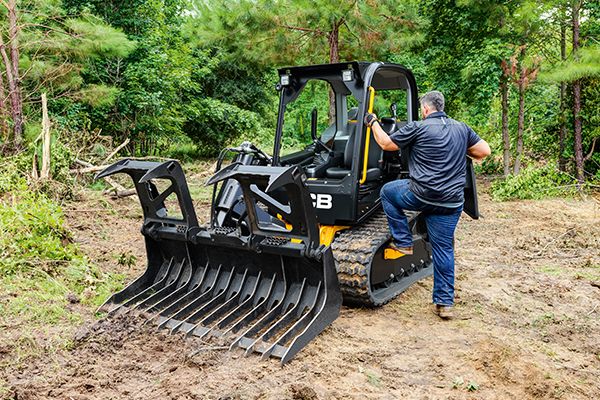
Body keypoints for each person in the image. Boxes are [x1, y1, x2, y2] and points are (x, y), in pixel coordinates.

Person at [364, 91, 491, 319]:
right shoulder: (461, 128)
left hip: (421, 195)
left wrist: (372, 122)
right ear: (441, 107)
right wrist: (461, 147)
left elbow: (385, 143)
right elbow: (484, 151)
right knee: (444, 250)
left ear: (425, 109)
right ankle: (444, 304)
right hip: (451, 202)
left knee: (388, 192)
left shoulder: (418, 128)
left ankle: (403, 241)